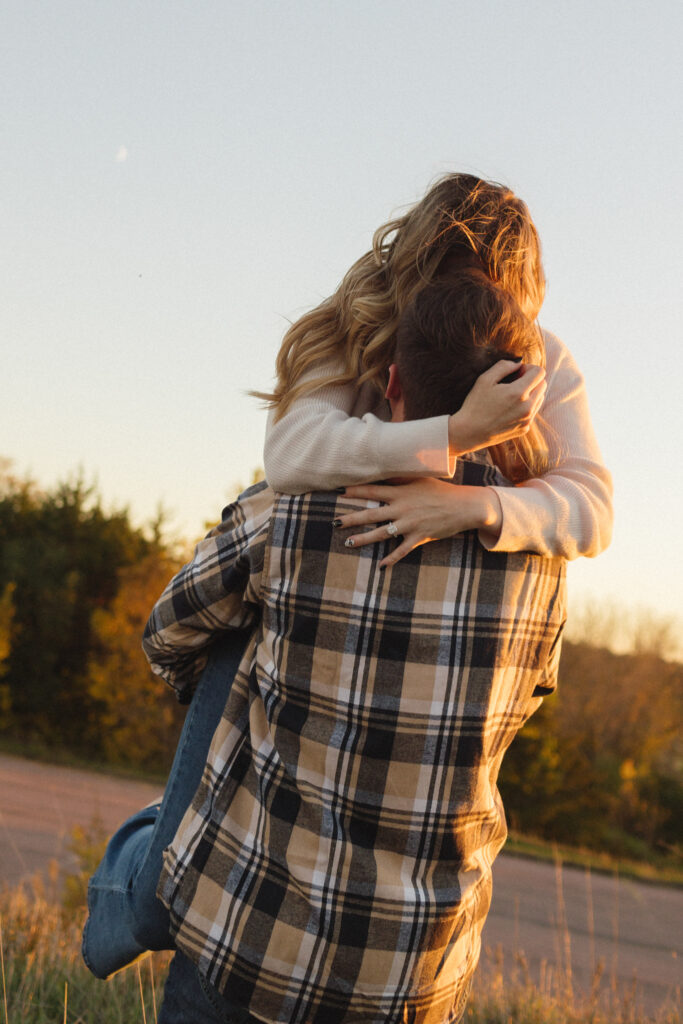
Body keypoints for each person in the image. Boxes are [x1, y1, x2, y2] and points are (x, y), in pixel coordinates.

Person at [82, 172, 612, 985]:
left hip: (425, 563)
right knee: (233, 642)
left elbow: (590, 506)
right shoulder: (353, 326)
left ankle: (181, 860)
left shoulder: (538, 354)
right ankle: (161, 868)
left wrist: (464, 508)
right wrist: (450, 434)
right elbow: (292, 458)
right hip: (312, 559)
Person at [140, 275, 568, 1023]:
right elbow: (530, 695)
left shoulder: (294, 508)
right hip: (409, 977)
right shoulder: (539, 560)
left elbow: (168, 634)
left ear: (390, 379)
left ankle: (130, 890)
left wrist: (249, 687)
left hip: (247, 933)